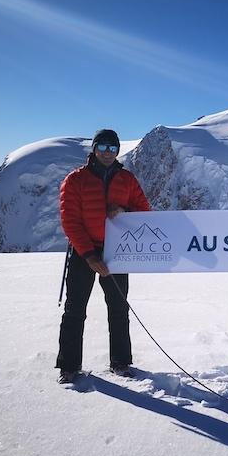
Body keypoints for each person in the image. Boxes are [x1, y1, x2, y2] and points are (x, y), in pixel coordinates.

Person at [56, 129, 151, 384]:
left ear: (118, 151)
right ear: (94, 149)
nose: (108, 153)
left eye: (113, 148)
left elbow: (144, 212)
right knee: (75, 309)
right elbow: (70, 221)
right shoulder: (76, 180)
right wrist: (89, 255)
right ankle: (69, 366)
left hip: (118, 251)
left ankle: (120, 362)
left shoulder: (127, 180)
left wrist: (124, 210)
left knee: (119, 308)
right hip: (83, 253)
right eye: (103, 147)